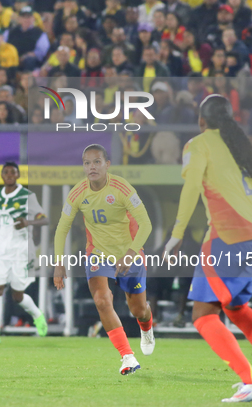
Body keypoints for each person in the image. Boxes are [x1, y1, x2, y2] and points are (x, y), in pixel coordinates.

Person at [163, 94, 252, 402]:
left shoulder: (197, 145)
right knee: (236, 308)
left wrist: (177, 233)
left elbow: (190, 188)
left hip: (225, 238)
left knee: (202, 315)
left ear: (201, 121)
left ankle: (251, 380)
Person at [53, 144, 155, 375]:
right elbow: (61, 228)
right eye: (87, 163)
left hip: (130, 253)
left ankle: (146, 327)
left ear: (107, 165)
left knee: (138, 309)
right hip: (98, 253)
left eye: (96, 162)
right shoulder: (77, 194)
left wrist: (131, 253)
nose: (92, 167)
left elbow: (146, 224)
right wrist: (59, 263)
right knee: (101, 300)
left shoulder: (121, 188)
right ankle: (127, 356)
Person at [0, 162, 49, 345]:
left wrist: (28, 223)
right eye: (6, 172)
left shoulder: (27, 196)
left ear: (18, 175)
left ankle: (37, 314)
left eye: (13, 172)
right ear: (2, 175)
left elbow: (44, 219)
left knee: (17, 294)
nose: (9, 175)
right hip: (0, 250)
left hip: (20, 251)